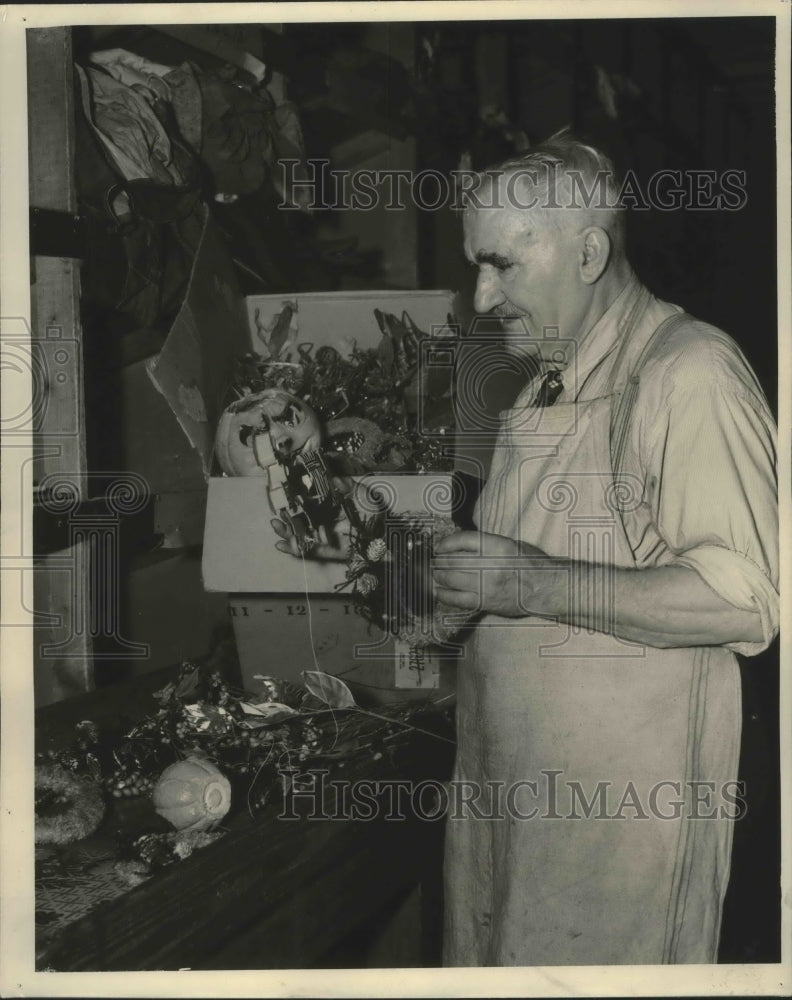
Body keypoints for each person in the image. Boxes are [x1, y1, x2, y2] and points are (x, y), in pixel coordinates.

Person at [431, 133, 779, 965]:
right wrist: (460, 597)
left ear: (588, 253)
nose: (480, 298)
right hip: (509, 805)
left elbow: (748, 599)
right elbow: (528, 575)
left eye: (500, 266)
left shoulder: (689, 372)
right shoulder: (550, 374)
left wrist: (531, 582)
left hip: (620, 831)